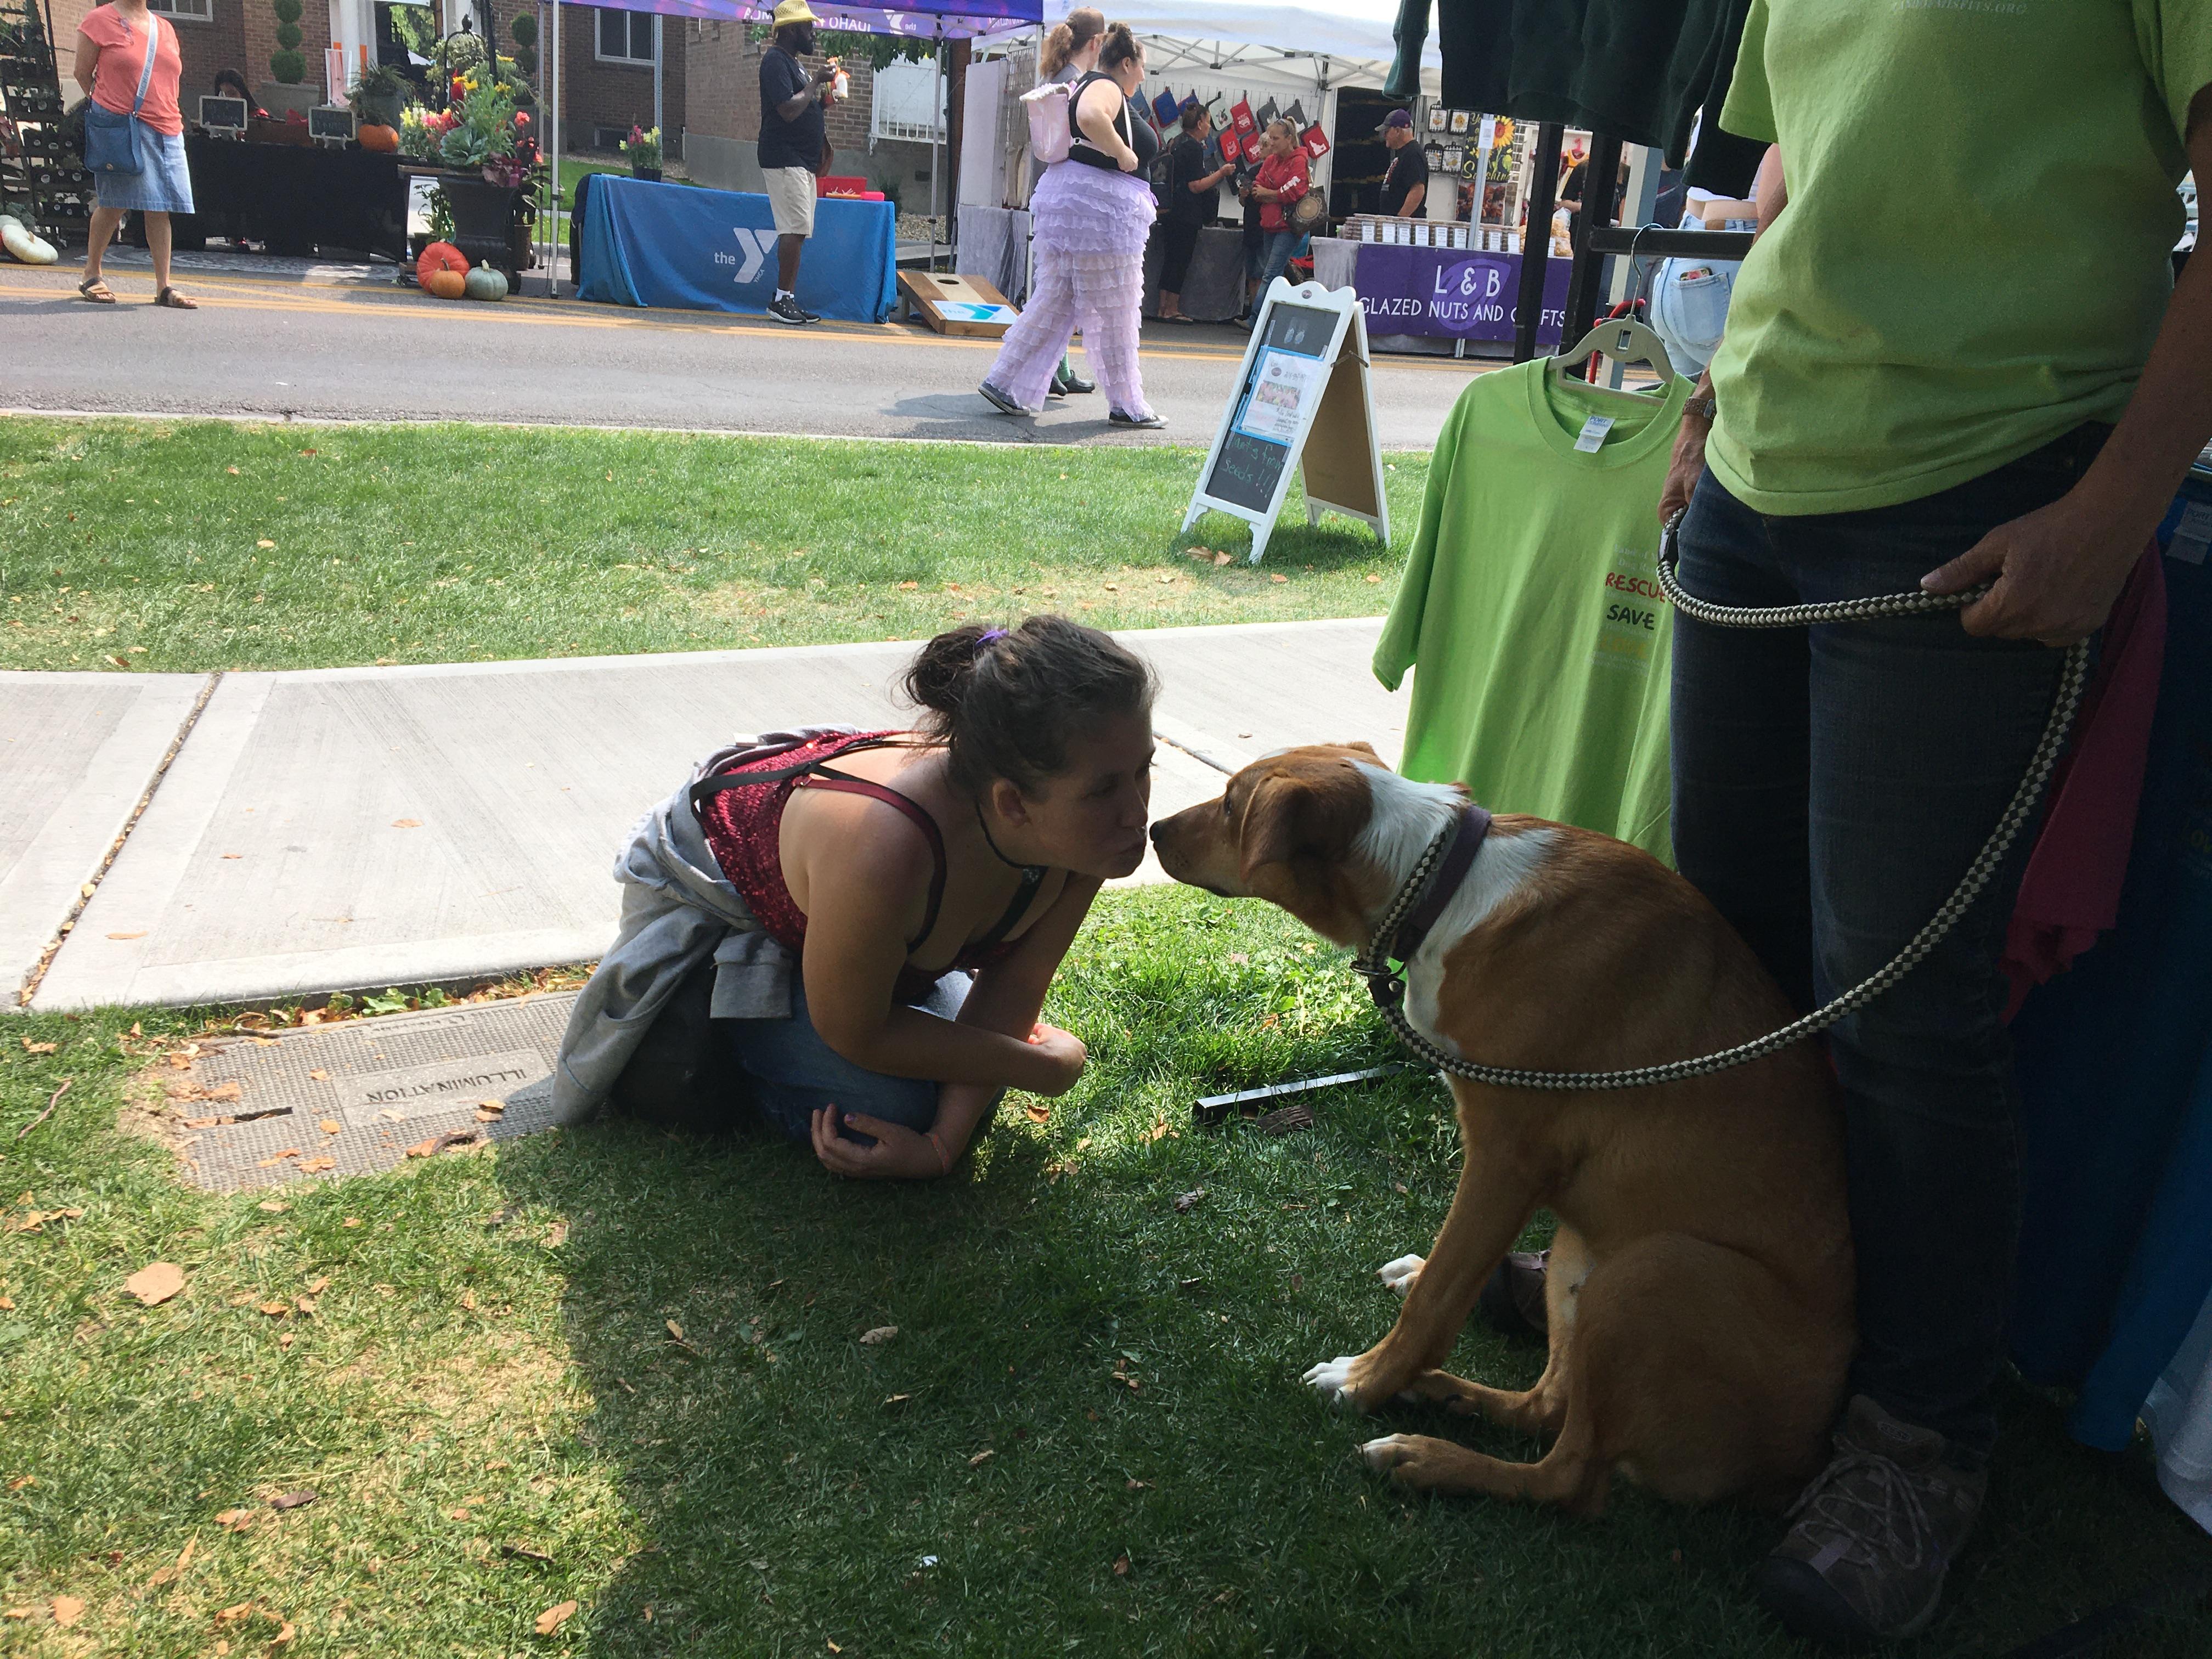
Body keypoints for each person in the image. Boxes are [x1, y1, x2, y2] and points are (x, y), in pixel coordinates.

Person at [1642, 7, 2212, 1647]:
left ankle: (1917, 1444)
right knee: (1726, 951)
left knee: (1905, 1014)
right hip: (1756, 481)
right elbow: (1785, 177)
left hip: (1983, 494)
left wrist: (2115, 514)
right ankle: (1716, 1278)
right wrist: (1705, 403)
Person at [554, 618, 1157, 1179]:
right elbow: (858, 1032)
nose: (1138, 813)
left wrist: (944, 1146)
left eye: (1143, 770)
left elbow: (1017, 983)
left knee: (958, 1091)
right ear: (1013, 803)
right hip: (728, 906)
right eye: (1105, 789)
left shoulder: (1085, 838)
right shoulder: (890, 846)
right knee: (905, 1106)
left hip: (857, 918)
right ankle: (705, 1028)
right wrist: (1042, 1068)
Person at [978, 22, 1164, 428]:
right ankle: (1127, 403)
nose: (1144, 76)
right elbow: (1090, 115)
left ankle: (1003, 380)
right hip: (1100, 214)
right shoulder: (1106, 87)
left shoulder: (1088, 82)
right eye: (1142, 67)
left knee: (1056, 299)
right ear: (1127, 63)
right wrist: (1123, 154)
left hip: (1079, 207)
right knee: (1116, 309)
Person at [72, 0, 195, 309]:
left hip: (167, 127)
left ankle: (164, 286)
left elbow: (170, 80)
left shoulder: (164, 28)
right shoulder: (99, 20)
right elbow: (82, 73)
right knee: (114, 202)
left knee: (160, 208)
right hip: (123, 127)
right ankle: (92, 273)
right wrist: (108, 110)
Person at [1034, 8, 1105, 398]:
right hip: (1069, 191)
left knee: (1059, 285)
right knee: (1062, 288)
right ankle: (1048, 367)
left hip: (1051, 187)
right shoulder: (1077, 83)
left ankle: (1057, 367)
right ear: (1095, 43)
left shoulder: (1055, 76)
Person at [757, 0, 838, 326]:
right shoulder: (775, 61)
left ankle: (787, 298)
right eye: (807, 27)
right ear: (790, 30)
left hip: (801, 160)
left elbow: (802, 105)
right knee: (793, 227)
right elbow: (788, 110)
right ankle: (781, 300)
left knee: (799, 229)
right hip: (784, 156)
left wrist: (822, 102)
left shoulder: (793, 64)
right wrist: (816, 81)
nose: (812, 32)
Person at [1155, 102, 1233, 323]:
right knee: (1180, 261)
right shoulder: (1193, 148)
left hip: (1169, 210)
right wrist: (1221, 173)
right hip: (1186, 212)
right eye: (1208, 121)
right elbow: (1196, 185)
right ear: (1200, 123)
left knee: (1170, 259)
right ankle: (1172, 308)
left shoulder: (1175, 142)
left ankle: (1162, 307)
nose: (1209, 126)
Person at [1234, 119, 1308, 327]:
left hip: (1288, 227)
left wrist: (1270, 194)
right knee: (1273, 272)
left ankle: (1257, 320)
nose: (1272, 143)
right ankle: (1278, 319)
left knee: (1270, 273)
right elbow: (1258, 187)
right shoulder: (1271, 162)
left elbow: (1295, 190)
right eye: (1271, 138)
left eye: (1276, 138)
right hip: (1269, 225)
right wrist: (1275, 194)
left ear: (1289, 138)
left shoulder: (1299, 161)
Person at [1377, 108, 1427, 218]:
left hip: (1404, 229)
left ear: (1398, 131)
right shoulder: (1404, 153)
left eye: (1387, 131)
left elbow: (1418, 190)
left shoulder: (1413, 153)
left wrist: (1400, 220)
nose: (1385, 136)